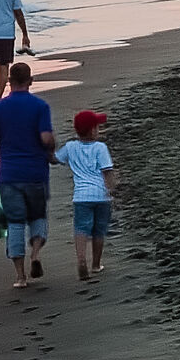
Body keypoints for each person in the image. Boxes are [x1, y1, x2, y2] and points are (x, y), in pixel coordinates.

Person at [0, 62, 55, 287]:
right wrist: (50, 153)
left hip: (10, 175)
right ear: (30, 81)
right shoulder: (40, 106)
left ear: (8, 82)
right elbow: (46, 138)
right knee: (38, 217)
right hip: (36, 172)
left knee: (14, 223)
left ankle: (20, 277)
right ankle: (35, 254)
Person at [55, 108, 118, 281]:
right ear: (92, 130)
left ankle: (81, 260)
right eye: (97, 127)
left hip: (81, 196)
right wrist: (112, 188)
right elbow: (107, 171)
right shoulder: (100, 148)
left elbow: (54, 159)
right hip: (101, 196)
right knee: (99, 230)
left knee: (81, 228)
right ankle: (96, 264)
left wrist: (46, 148)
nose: (99, 130)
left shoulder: (71, 147)